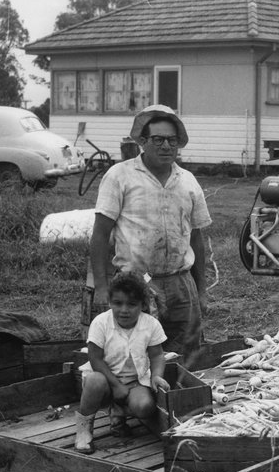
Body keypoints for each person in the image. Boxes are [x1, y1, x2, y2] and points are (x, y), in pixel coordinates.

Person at [89, 105, 212, 364]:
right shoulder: (119, 176)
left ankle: (182, 400)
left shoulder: (188, 180)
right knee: (135, 355)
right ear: (143, 141)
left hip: (181, 283)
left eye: (172, 140)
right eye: (158, 139)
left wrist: (201, 291)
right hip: (136, 282)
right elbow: (100, 235)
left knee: (187, 353)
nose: (166, 146)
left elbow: (196, 239)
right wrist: (101, 287)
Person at [75, 272, 171, 453]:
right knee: (95, 381)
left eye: (132, 304)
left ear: (142, 305)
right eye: (118, 303)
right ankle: (84, 430)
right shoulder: (101, 323)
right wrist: (116, 385)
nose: (124, 310)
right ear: (110, 302)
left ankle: (118, 414)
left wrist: (157, 376)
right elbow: (95, 358)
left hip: (135, 381)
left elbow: (157, 355)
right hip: (104, 379)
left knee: (144, 407)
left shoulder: (150, 324)